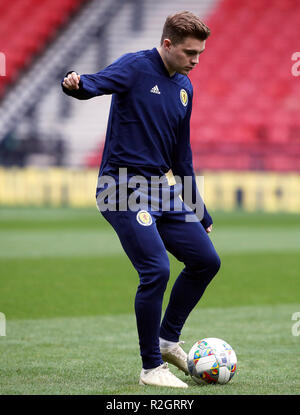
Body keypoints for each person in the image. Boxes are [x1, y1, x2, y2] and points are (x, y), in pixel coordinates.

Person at [62, 11, 220, 388]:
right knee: (156, 270)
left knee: (206, 260)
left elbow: (182, 156)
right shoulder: (135, 66)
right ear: (167, 45)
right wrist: (75, 84)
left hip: (159, 188)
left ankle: (168, 340)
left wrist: (199, 209)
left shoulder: (185, 87)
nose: (195, 60)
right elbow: (94, 84)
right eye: (189, 52)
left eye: (199, 53)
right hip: (119, 187)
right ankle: (151, 367)